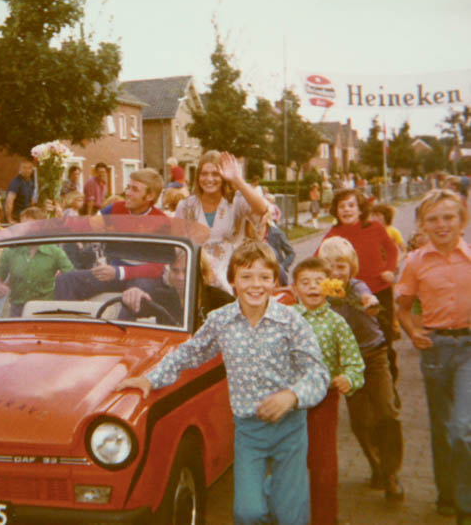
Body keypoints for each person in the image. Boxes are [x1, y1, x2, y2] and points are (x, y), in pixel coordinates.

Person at [116, 241, 329, 525]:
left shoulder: (291, 321)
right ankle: (272, 490)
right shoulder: (221, 321)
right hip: (249, 431)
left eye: (264, 277)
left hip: (289, 428)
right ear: (232, 281)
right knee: (247, 513)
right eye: (246, 277)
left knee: (291, 515)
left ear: (274, 281)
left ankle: (279, 490)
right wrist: (150, 379)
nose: (256, 285)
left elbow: (318, 373)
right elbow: (188, 354)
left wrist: (291, 396)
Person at [396, 189, 471, 522]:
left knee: (461, 427)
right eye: (433, 219)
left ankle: (465, 505)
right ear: (423, 225)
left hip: (469, 347)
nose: (441, 225)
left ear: (462, 221)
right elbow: (401, 308)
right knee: (441, 427)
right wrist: (413, 332)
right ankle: (446, 493)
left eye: (448, 217)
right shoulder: (415, 262)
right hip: (436, 350)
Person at [319, 236, 404, 501]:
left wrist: (371, 304)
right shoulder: (323, 294)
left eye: (341, 266)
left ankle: (391, 474)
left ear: (351, 267)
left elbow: (367, 298)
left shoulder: (356, 287)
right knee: (361, 421)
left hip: (374, 356)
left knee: (387, 413)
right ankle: (376, 465)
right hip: (347, 363)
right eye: (329, 267)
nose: (336, 273)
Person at [291, 257, 365, 524]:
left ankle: (325, 518)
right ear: (294, 289)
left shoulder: (336, 323)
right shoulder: (286, 319)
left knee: (323, 464)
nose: (312, 287)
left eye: (319, 281)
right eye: (305, 282)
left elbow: (355, 362)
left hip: (323, 399)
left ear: (329, 286)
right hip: (290, 401)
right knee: (289, 462)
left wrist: (349, 378)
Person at [319, 188, 399, 380]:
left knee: (384, 339)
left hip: (378, 290)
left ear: (361, 209)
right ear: (336, 211)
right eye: (342, 206)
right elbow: (319, 260)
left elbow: (392, 250)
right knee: (360, 339)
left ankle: (389, 382)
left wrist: (389, 269)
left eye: (351, 205)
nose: (347, 210)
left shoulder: (375, 228)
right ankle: (363, 380)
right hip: (351, 297)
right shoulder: (333, 234)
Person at [54, 171, 166, 302]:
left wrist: (118, 272)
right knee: (65, 281)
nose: (128, 193)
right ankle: (68, 321)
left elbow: (157, 269)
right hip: (114, 273)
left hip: (142, 277)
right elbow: (87, 226)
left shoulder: (162, 222)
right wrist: (57, 215)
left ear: (150, 196)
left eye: (135, 189)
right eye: (128, 187)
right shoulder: (116, 209)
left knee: (133, 298)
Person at [175, 150, 268, 293]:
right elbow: (178, 244)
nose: (209, 179)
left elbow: (262, 209)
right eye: (204, 174)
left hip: (230, 268)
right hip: (197, 270)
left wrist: (237, 179)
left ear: (224, 177)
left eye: (215, 174)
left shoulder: (235, 201)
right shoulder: (186, 205)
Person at [0, 207, 73, 317]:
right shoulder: (10, 251)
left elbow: (72, 277)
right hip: (16, 310)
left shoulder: (55, 252)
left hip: (44, 310)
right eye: (22, 225)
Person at [5, 159, 36, 223]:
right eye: (24, 167)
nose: (27, 170)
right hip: (17, 217)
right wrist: (9, 219)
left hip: (27, 217)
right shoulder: (16, 182)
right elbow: (9, 201)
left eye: (29, 168)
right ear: (20, 169)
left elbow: (32, 201)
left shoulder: (30, 182)